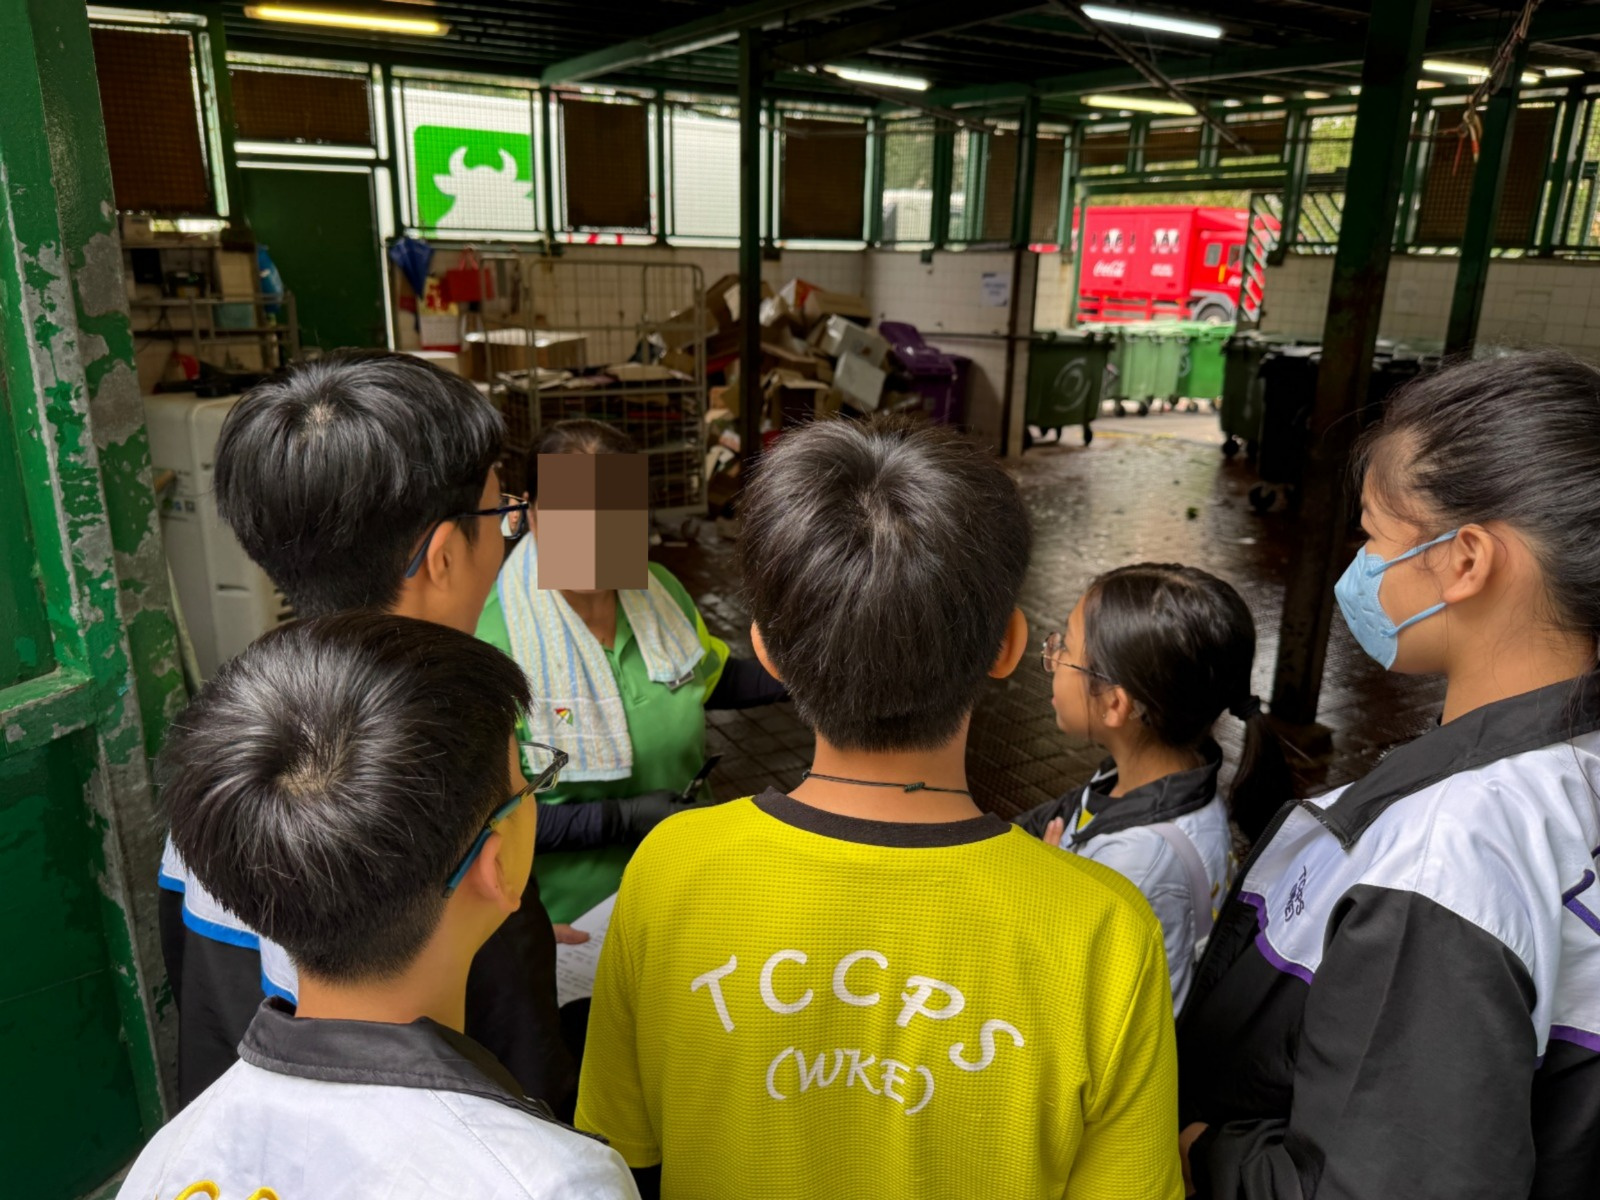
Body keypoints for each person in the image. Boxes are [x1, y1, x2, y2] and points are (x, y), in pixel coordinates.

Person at [577, 416, 1184, 1200]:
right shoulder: (1106, 932)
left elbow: (620, 1152)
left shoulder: (669, 868)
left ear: (768, 651)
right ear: (1007, 646)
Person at [1178, 350, 1600, 1199]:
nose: (1359, 568)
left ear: (1466, 559)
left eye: (1374, 536)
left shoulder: (1447, 856)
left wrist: (1210, 1156)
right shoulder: (1569, 768)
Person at [157, 351, 625, 1114]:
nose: (509, 534)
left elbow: (206, 989)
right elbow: (524, 1076)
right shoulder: (453, 758)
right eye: (500, 514)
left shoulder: (230, 728)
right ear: (442, 556)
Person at [126, 613, 638, 1198]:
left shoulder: (168, 1158)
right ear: (495, 867)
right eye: (525, 777)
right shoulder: (555, 1181)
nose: (531, 793)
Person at [478, 419, 786, 926]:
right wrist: (622, 819)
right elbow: (491, 820)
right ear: (532, 513)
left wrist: (813, 673)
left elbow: (708, 680)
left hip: (687, 883)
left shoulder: (658, 592)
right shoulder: (495, 641)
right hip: (574, 921)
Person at [1016, 565, 1290, 1009]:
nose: (1052, 655)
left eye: (1065, 647)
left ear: (1114, 703)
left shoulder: (1133, 867)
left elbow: (1073, 1003)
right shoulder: (1177, 776)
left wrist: (1045, 895)